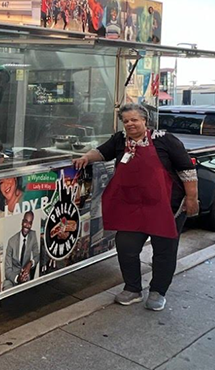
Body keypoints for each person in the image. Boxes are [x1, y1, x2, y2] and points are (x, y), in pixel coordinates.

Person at [74, 103, 199, 311]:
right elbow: (102, 152)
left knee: (164, 251)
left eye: (134, 120)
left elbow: (187, 170)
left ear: (145, 120)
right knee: (126, 247)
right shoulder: (119, 140)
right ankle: (132, 289)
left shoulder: (165, 140)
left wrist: (192, 198)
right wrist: (86, 157)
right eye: (126, 121)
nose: (130, 124)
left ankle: (158, 291)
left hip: (167, 206)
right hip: (132, 206)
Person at [3, 211, 39, 290]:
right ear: (22, 222)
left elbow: (37, 256)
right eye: (25, 222)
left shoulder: (33, 236)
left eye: (30, 223)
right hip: (12, 279)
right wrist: (17, 278)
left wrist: (30, 263)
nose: (27, 225)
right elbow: (7, 271)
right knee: (6, 289)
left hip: (26, 277)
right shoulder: (11, 241)